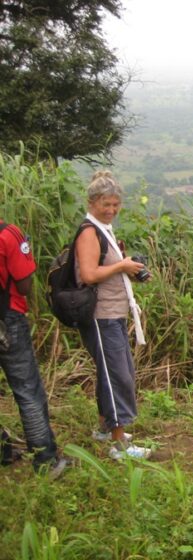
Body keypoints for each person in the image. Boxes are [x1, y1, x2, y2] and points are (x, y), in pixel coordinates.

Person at [75, 171, 152, 460]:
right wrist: (122, 267)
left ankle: (105, 428)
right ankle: (119, 445)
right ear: (92, 202)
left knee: (111, 371)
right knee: (117, 375)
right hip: (100, 315)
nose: (112, 210)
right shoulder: (88, 231)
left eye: (116, 204)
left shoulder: (102, 228)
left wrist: (129, 268)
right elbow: (89, 274)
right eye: (106, 204)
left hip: (112, 313)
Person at [0, 219, 67, 477]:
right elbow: (24, 286)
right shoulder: (9, 234)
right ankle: (45, 460)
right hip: (8, 318)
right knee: (28, 391)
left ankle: (4, 451)